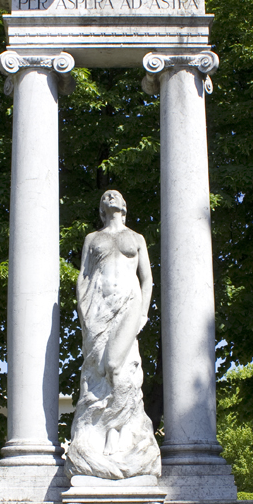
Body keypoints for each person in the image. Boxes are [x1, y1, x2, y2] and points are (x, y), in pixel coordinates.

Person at [65, 190, 161, 480]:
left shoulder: (137, 238)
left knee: (116, 367)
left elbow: (148, 280)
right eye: (106, 195)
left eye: (115, 195)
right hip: (99, 310)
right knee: (98, 373)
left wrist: (143, 313)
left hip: (129, 308)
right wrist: (85, 313)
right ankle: (103, 433)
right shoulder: (92, 239)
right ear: (101, 207)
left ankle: (114, 430)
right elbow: (83, 276)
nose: (110, 195)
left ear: (123, 205)